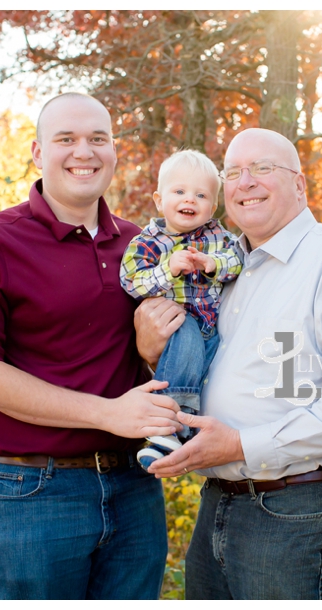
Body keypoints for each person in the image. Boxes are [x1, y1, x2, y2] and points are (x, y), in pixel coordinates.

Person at [0, 92, 183, 600]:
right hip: (30, 494)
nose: (83, 152)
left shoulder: (146, 247)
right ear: (37, 152)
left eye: (98, 139)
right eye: (65, 139)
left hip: (133, 489)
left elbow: (162, 364)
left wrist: (152, 349)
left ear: (115, 151)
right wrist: (108, 414)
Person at [136, 128, 322, 599]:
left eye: (262, 168)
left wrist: (240, 443)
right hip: (217, 502)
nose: (245, 181)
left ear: (300, 184)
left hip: (297, 508)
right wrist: (151, 348)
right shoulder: (224, 273)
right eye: (232, 172)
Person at [119, 150, 243, 470]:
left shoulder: (218, 238)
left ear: (212, 206)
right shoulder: (148, 242)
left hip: (212, 326)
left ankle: (186, 430)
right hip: (176, 320)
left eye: (200, 195)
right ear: (160, 200)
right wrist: (167, 268)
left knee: (209, 371)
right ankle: (167, 425)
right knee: (184, 337)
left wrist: (212, 264)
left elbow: (238, 261)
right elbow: (131, 281)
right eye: (179, 192)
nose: (190, 199)